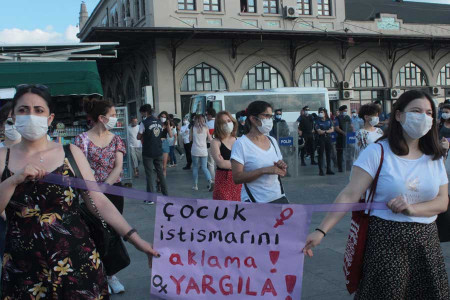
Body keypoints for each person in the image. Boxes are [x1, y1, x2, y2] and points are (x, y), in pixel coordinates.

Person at [0, 85, 158, 299]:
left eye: (38, 110)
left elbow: (98, 202)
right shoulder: (3, 158)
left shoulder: (69, 153)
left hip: (77, 262)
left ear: (50, 118)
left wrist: (138, 241)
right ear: (14, 116)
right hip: (24, 268)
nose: (31, 116)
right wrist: (14, 179)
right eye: (23, 110)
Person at [304, 90, 450, 299]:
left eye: (428, 113)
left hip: (426, 242)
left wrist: (412, 209)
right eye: (416, 111)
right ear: (398, 115)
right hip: (387, 241)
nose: (424, 117)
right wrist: (321, 230)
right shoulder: (378, 152)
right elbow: (350, 194)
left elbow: (442, 201)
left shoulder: (434, 155)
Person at [74, 98, 128, 294]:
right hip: (89, 195)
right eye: (112, 115)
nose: (115, 119)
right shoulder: (81, 140)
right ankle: (99, 273)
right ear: (101, 118)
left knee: (112, 233)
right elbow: (79, 168)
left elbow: (118, 166)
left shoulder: (116, 139)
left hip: (113, 191)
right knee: (96, 233)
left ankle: (111, 274)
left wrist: (104, 187)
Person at [231, 101, 288, 203]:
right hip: (255, 202)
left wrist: (281, 167)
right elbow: (237, 178)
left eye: (271, 116)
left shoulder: (272, 141)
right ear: (253, 119)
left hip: (277, 198)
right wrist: (263, 170)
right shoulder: (241, 144)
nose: (270, 120)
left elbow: (281, 172)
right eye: (266, 116)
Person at [137, 104, 168, 199]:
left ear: (145, 112)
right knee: (160, 173)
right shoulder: (159, 122)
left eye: (142, 113)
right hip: (158, 150)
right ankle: (165, 194)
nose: (142, 115)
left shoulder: (144, 122)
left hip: (148, 152)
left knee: (149, 174)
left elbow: (138, 136)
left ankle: (150, 198)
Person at [211, 111, 242, 201]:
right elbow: (221, 164)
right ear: (218, 125)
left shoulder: (239, 141)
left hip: (238, 180)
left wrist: (228, 163)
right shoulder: (215, 142)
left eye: (229, 121)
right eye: (223, 122)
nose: (227, 124)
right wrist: (240, 164)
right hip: (223, 180)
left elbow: (248, 161)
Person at [190, 114, 213, 191]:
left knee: (195, 167)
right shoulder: (206, 128)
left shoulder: (193, 128)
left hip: (195, 150)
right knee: (204, 167)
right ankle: (210, 181)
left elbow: (190, 139)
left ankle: (195, 185)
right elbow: (210, 138)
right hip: (204, 150)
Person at [315, 107, 335, 176]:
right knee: (320, 155)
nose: (321, 113)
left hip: (328, 139)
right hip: (321, 139)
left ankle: (328, 169)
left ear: (325, 113)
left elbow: (332, 129)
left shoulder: (329, 120)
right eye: (320, 112)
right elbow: (319, 131)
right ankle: (321, 170)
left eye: (322, 112)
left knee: (328, 154)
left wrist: (325, 131)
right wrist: (327, 131)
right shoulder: (317, 121)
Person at [334, 105, 353, 172]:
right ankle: (340, 168)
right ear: (341, 111)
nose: (346, 111)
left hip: (348, 137)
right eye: (345, 110)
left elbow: (351, 125)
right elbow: (336, 127)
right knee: (340, 152)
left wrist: (352, 131)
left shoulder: (348, 117)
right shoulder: (337, 118)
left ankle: (348, 166)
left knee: (348, 151)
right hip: (340, 137)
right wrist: (344, 132)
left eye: (346, 110)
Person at [206, 108, 216, 190]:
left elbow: (207, 136)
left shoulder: (207, 124)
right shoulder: (219, 122)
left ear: (209, 115)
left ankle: (213, 180)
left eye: (206, 115)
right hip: (220, 144)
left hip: (210, 144)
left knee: (211, 163)